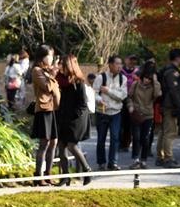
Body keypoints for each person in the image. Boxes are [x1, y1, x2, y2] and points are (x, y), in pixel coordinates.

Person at [56, 54, 93, 186]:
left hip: (76, 119)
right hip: (64, 117)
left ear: (69, 66)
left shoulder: (79, 82)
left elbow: (83, 104)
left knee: (72, 145)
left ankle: (87, 170)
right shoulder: (62, 80)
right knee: (61, 146)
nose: (60, 67)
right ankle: (65, 176)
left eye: (63, 64)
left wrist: (72, 117)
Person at [31, 45, 60, 187]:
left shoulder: (47, 71)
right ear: (42, 57)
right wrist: (53, 76)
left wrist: (52, 75)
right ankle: (38, 176)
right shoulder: (37, 71)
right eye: (49, 56)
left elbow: (55, 89)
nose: (52, 59)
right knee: (44, 143)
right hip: (43, 110)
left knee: (54, 142)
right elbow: (48, 87)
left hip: (52, 109)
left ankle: (48, 174)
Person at [93, 55, 128, 171]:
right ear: (110, 65)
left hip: (116, 112)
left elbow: (122, 96)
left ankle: (113, 163)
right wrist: (99, 100)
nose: (120, 66)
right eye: (117, 64)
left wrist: (108, 91)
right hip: (102, 112)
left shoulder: (123, 79)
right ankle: (101, 163)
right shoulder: (100, 78)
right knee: (101, 139)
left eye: (120, 64)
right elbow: (94, 93)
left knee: (115, 137)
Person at [127, 62, 161, 169]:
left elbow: (156, 95)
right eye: (145, 78)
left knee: (145, 138)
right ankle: (135, 159)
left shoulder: (155, 85)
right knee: (136, 137)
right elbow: (129, 97)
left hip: (148, 115)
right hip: (136, 114)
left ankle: (144, 160)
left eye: (149, 78)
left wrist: (155, 81)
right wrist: (130, 107)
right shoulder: (135, 84)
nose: (147, 80)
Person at [156, 48, 180, 167]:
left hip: (165, 103)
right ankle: (168, 157)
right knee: (170, 132)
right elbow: (174, 90)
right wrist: (179, 105)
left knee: (164, 131)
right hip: (170, 105)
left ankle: (160, 156)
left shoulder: (166, 70)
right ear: (178, 57)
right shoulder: (172, 72)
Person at [118, 55, 140, 152]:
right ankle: (120, 143)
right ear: (126, 61)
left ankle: (126, 144)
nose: (132, 63)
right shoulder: (121, 72)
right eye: (131, 61)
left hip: (133, 99)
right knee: (121, 122)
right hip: (121, 98)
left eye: (134, 62)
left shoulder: (138, 72)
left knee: (130, 123)